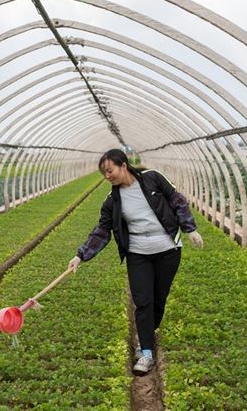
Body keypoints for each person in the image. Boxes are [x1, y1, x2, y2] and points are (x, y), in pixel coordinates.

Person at [68, 149, 204, 375]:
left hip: (168, 250)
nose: (107, 176)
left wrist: (190, 229)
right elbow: (102, 231)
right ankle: (146, 352)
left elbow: (177, 199)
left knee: (159, 299)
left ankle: (149, 332)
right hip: (137, 253)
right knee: (143, 301)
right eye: (104, 173)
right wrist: (81, 255)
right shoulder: (112, 201)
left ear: (124, 165)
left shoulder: (153, 178)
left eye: (110, 170)